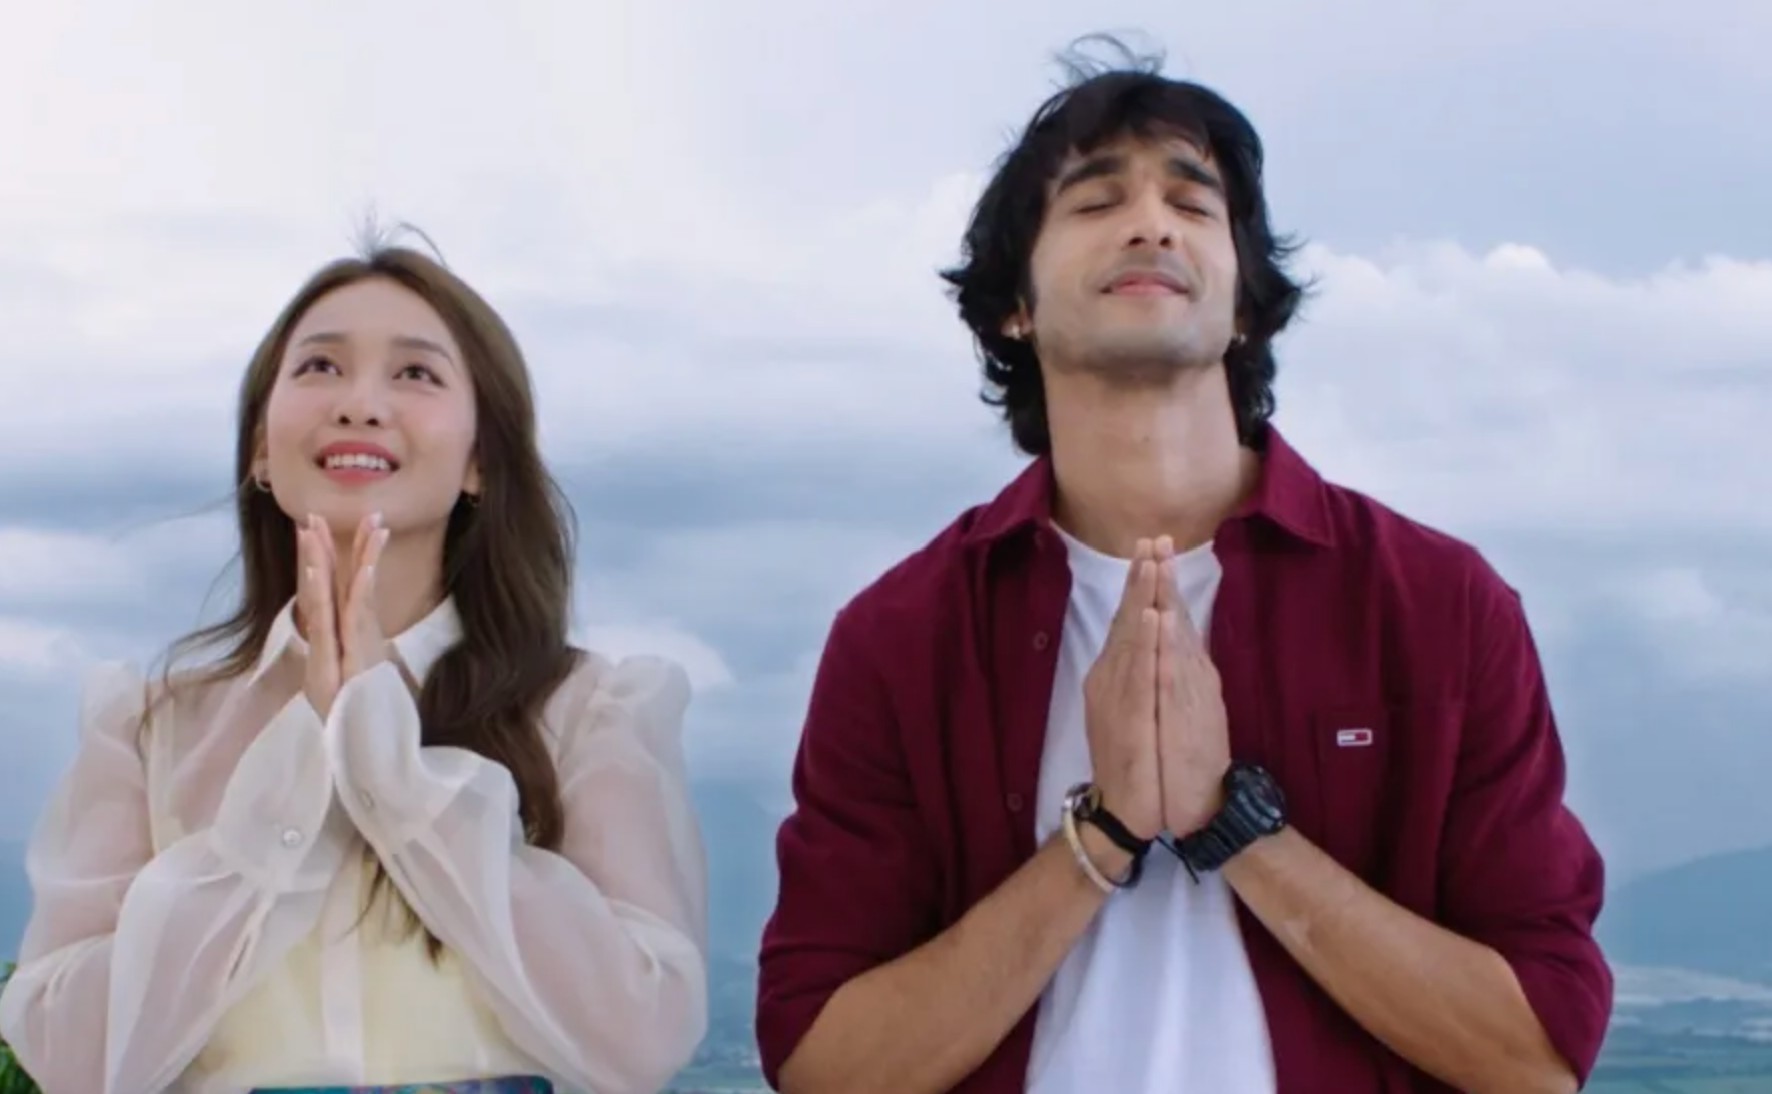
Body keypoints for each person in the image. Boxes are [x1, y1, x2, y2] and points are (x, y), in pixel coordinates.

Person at [755, 40, 1612, 1094]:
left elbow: (1535, 1056)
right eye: (1094, 201)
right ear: (1013, 306)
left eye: (1192, 202)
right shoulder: (903, 634)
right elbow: (824, 1066)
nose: (1150, 224)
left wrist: (1231, 823)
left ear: (1244, 303)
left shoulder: (1436, 604)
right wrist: (1102, 832)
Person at [0, 243, 709, 1094]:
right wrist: (286, 788)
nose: (360, 404)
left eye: (415, 374)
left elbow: (642, 1035)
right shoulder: (149, 729)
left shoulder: (589, 711)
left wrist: (393, 770)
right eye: (320, 366)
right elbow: (67, 1054)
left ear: (480, 460)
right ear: (260, 449)